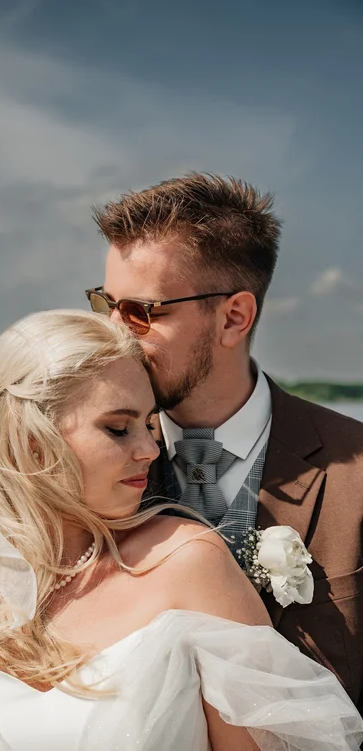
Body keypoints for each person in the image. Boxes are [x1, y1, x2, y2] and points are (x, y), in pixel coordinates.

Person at [0, 310, 361, 751]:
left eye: (149, 424)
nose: (150, 449)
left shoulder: (187, 563)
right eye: (119, 428)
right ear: (31, 440)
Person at [88, 171, 363, 715]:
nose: (114, 333)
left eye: (141, 312)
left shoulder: (356, 472)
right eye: (105, 303)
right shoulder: (74, 463)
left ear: (234, 317)